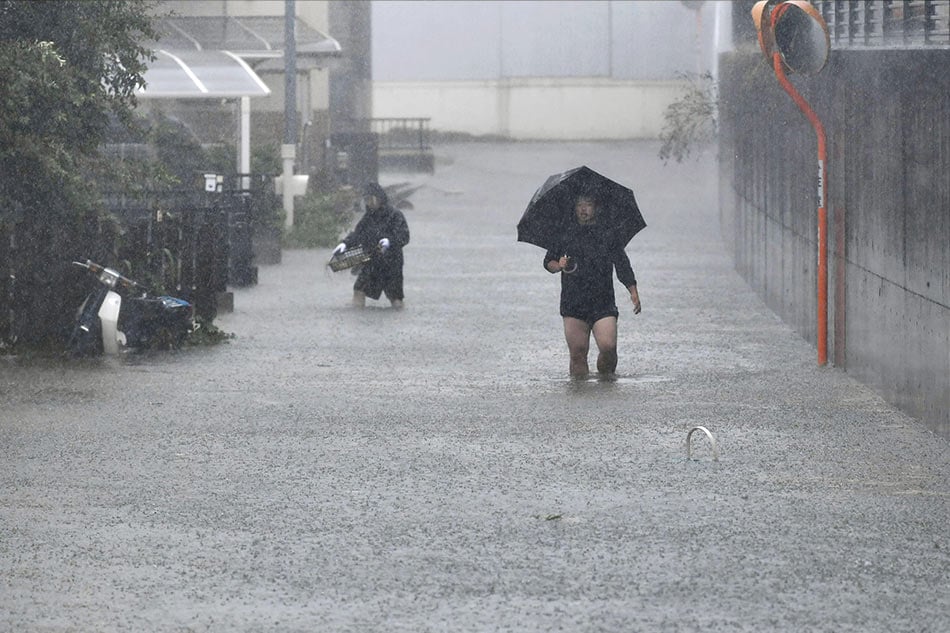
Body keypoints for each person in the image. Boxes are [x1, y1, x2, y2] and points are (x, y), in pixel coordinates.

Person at [543, 193, 641, 378]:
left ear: (596, 207)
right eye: (579, 205)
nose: (583, 209)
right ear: (574, 208)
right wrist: (559, 265)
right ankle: (580, 396)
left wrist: (633, 290)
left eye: (588, 205)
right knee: (578, 354)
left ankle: (606, 381)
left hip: (603, 302)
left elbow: (622, 264)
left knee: (608, 347)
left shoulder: (608, 233)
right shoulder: (564, 232)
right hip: (573, 302)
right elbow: (548, 263)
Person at [333, 183, 410, 308]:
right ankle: (357, 311)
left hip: (392, 264)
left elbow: (404, 236)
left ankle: (398, 317)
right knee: (359, 289)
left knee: (395, 298)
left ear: (378, 198)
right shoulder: (369, 217)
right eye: (366, 200)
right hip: (372, 261)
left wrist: (389, 241)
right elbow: (358, 234)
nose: (367, 203)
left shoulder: (395, 215)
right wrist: (345, 244)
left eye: (369, 199)